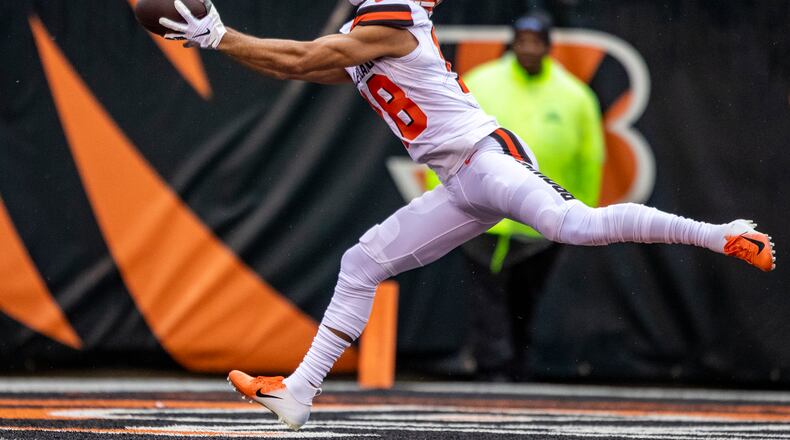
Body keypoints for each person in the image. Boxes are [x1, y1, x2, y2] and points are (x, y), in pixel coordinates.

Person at [158, 0, 776, 430]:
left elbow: (295, 57)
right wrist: (220, 42)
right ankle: (299, 394)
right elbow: (298, 64)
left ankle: (720, 235)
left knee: (574, 225)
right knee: (360, 263)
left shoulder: (394, 24)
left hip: (489, 160)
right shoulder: (373, 32)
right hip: (459, 183)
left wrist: (217, 36)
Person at [424, 11, 607, 381]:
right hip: (483, 214)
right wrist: (443, 199)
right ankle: (493, 367)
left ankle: (516, 365)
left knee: (526, 296)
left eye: (535, 41)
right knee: (486, 295)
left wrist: (580, 214)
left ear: (548, 46)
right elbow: (446, 139)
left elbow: (591, 157)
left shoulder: (575, 96)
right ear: (512, 43)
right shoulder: (481, 82)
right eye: (521, 40)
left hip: (542, 219)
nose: (528, 48)